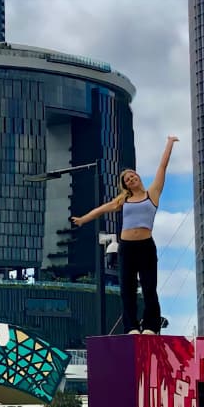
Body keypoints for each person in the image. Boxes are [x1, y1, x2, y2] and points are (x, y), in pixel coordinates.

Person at [71, 136, 179, 333]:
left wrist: (169, 143)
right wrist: (83, 219)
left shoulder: (152, 193)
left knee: (149, 288)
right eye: (127, 179)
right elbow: (102, 209)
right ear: (126, 185)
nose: (131, 179)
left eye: (132, 176)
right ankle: (130, 326)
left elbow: (162, 167)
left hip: (146, 247)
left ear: (138, 178)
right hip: (127, 248)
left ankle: (150, 326)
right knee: (127, 290)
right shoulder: (123, 200)